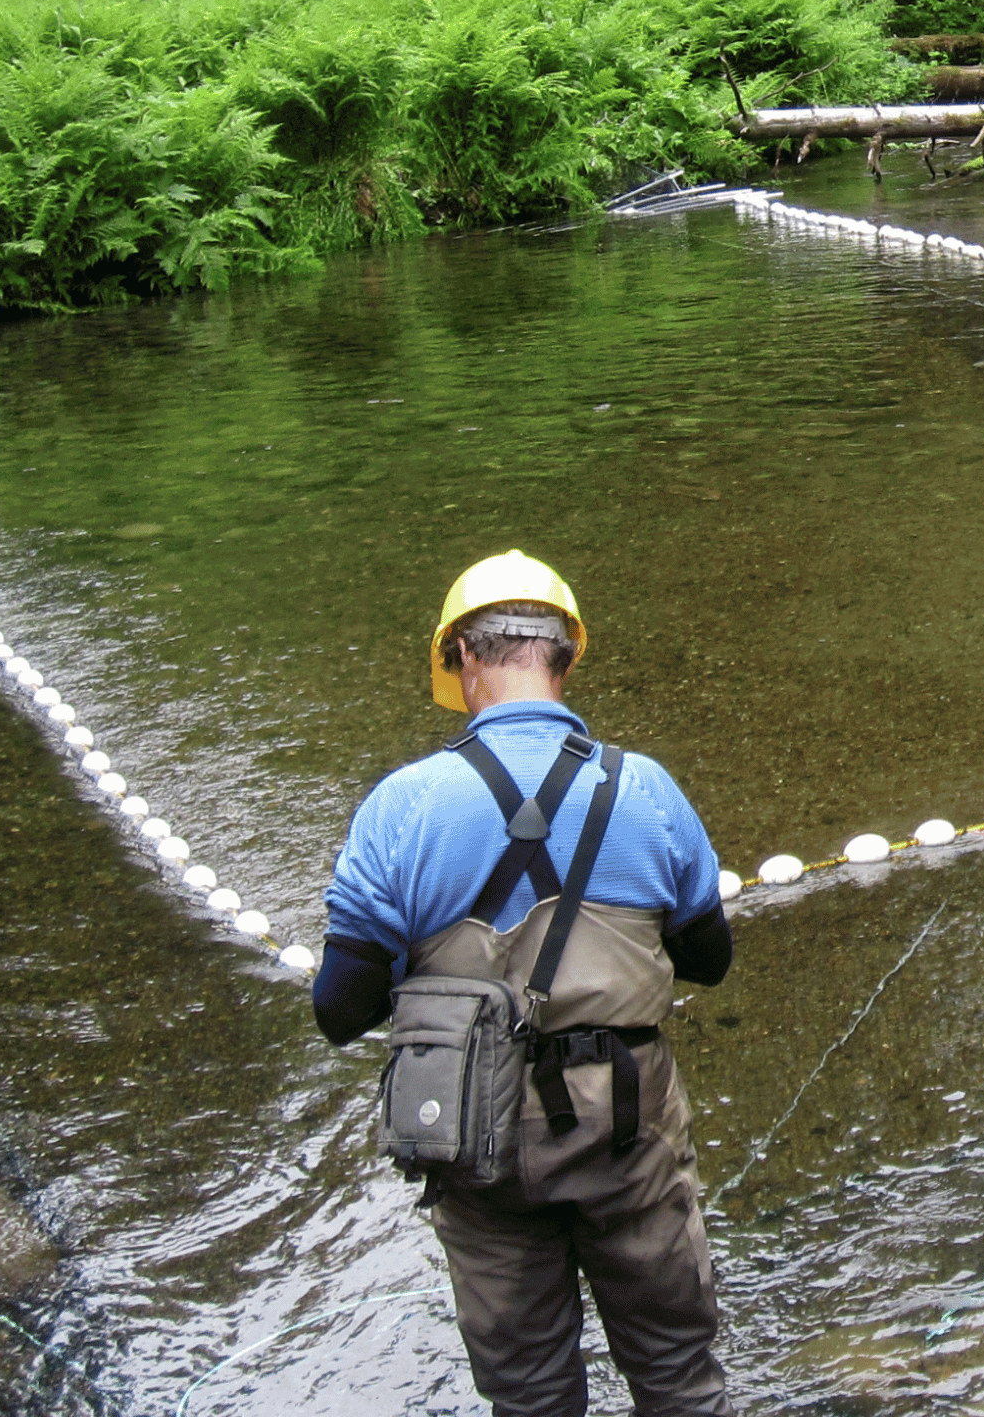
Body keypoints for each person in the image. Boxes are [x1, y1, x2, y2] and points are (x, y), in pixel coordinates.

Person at [314, 550, 737, 1416]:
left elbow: (339, 1009)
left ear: (463, 658)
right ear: (565, 657)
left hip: (476, 1139)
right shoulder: (646, 788)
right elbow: (708, 960)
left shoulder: (400, 805)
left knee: (531, 1396)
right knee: (679, 1378)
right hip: (627, 1129)